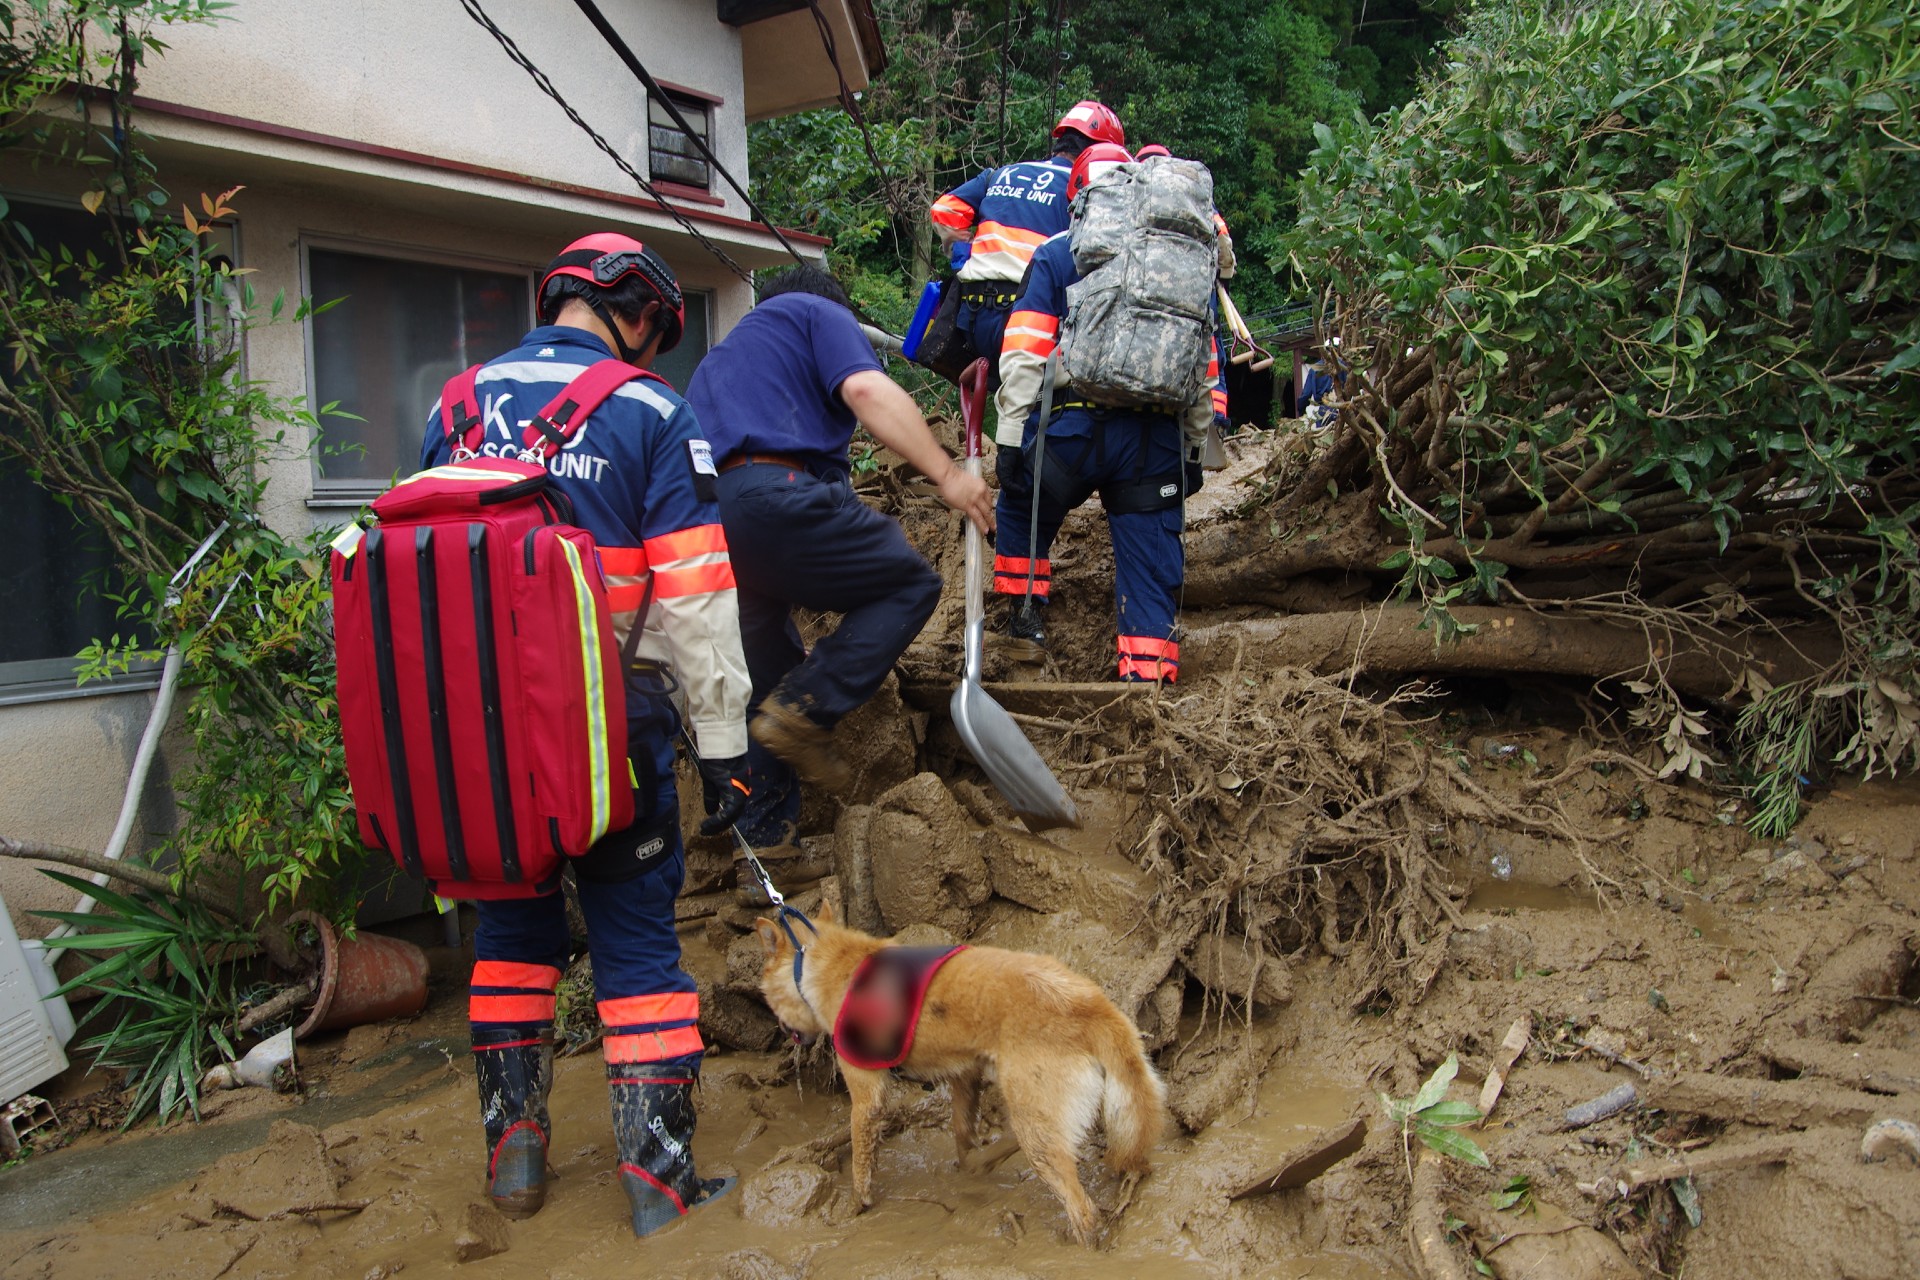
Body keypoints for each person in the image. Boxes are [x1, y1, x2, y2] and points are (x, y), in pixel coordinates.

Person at [417, 232, 753, 1238]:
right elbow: (693, 595)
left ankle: (515, 1158)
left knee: (513, 936)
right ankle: (659, 1184)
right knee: (638, 944)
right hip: (613, 727)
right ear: (639, 312)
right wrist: (725, 740)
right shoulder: (651, 409)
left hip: (476, 741)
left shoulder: (454, 404)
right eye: (656, 329)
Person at [687, 265, 994, 888]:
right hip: (777, 494)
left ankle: (765, 858)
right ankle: (807, 708)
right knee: (908, 584)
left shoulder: (716, 363)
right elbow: (866, 391)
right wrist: (948, 475)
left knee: (764, 676)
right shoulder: (813, 313)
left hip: (714, 527)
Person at [991, 145, 1215, 681]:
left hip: (1074, 431)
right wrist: (1193, 447)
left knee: (1022, 507)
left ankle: (1025, 622)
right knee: (1150, 565)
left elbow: (1023, 350)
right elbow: (1200, 364)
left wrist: (1008, 439)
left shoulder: (1057, 252)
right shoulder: (1182, 259)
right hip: (1155, 441)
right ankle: (1147, 685)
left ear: (1080, 199)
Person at [929, 100, 1125, 386]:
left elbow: (945, 210)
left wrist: (961, 248)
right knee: (1046, 406)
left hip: (970, 319)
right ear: (1098, 151)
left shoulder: (1001, 174)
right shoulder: (1081, 188)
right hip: (1028, 320)